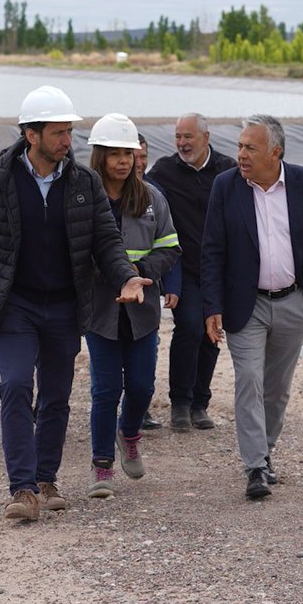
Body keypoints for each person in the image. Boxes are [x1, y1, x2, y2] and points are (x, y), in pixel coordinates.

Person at [0, 86, 150, 521]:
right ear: (31, 134)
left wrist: (128, 277)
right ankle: (22, 488)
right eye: (59, 133)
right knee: (16, 385)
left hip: (64, 306)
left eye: (69, 132)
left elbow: (106, 240)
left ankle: (47, 478)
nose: (68, 141)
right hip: (15, 305)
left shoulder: (84, 183)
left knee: (57, 396)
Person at [201, 115, 303, 500]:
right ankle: (255, 466)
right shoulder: (226, 187)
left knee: (277, 389)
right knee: (249, 381)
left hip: (295, 301)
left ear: (275, 152)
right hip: (246, 304)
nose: (240, 154)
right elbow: (212, 250)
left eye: (250, 148)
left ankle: (266, 451)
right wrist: (213, 306)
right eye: (240, 146)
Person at [84, 114, 180, 498]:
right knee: (105, 390)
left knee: (141, 387)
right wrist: (112, 276)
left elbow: (170, 246)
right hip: (102, 312)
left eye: (130, 153)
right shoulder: (85, 199)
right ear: (100, 156)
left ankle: (130, 432)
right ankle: (102, 465)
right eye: (116, 154)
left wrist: (141, 272)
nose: (124, 161)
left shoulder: (152, 198)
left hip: (142, 312)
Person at [147, 112, 236, 432]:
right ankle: (180, 403)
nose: (182, 143)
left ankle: (201, 403)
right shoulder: (164, 171)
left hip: (219, 267)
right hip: (182, 266)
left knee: (211, 330)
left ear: (206, 138)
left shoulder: (228, 169)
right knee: (189, 327)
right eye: (178, 137)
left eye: (189, 137)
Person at [134, 132, 167, 431]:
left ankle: (138, 412)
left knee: (148, 351)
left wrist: (173, 286)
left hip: (147, 292)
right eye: (134, 156)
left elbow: (169, 244)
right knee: (104, 372)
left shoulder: (155, 195)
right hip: (104, 294)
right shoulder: (94, 193)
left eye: (144, 156)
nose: (139, 162)